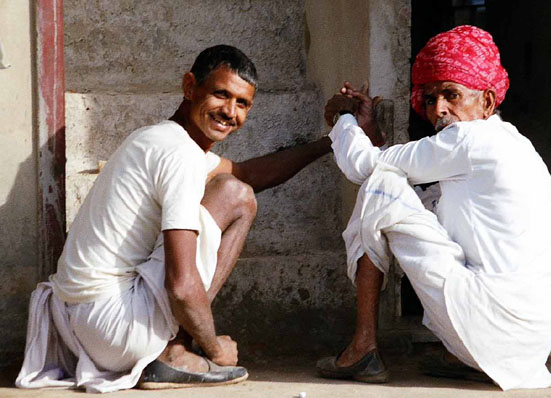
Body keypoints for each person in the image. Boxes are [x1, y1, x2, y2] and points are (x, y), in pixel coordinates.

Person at [16, 45, 332, 393]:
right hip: (116, 331)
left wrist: (332, 142)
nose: (229, 112)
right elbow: (181, 284)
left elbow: (249, 171)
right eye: (220, 94)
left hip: (73, 332)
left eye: (242, 104)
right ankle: (176, 352)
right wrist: (215, 348)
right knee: (237, 197)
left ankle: (173, 346)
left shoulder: (159, 139)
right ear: (189, 87)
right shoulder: (179, 155)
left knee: (236, 186)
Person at [316, 25, 551, 390]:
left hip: (493, 322)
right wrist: (371, 136)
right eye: (430, 97)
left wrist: (343, 119)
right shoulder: (510, 144)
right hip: (527, 345)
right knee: (393, 188)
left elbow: (365, 168)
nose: (438, 109)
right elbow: (412, 195)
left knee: (379, 186)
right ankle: (465, 356)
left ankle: (362, 348)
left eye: (452, 95)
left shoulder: (469, 139)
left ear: (487, 101)